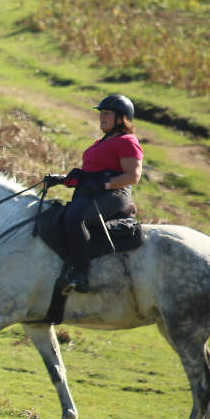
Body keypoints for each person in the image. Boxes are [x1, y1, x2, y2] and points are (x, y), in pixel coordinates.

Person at [44, 94, 143, 294]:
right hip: (92, 194)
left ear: (121, 118)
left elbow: (133, 176)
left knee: (75, 218)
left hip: (114, 195)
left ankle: (80, 274)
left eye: (107, 113)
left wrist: (104, 184)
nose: (101, 117)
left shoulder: (127, 141)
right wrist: (62, 179)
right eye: (101, 113)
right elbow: (90, 176)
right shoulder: (100, 142)